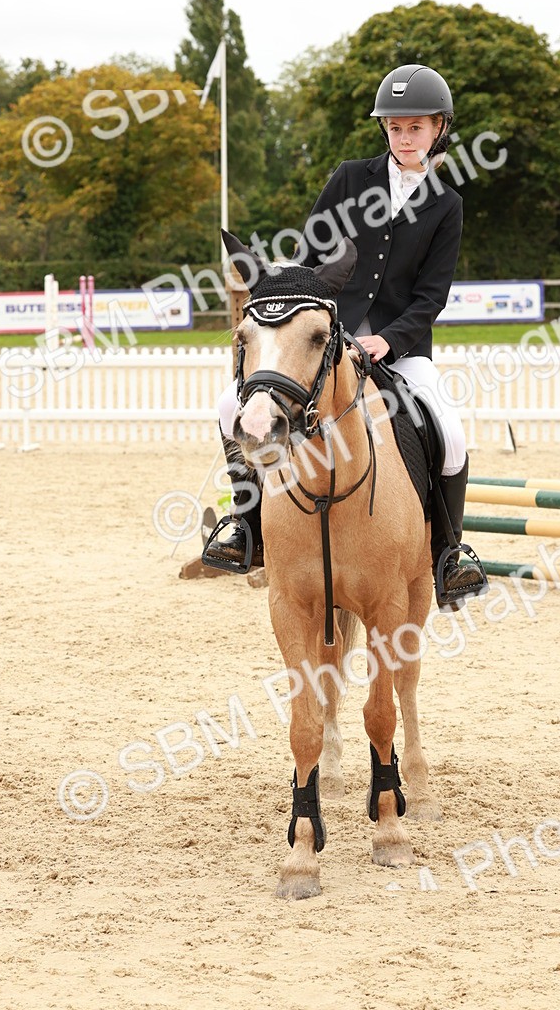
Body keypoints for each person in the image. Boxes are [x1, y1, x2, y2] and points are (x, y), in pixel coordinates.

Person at [204, 62, 488, 609]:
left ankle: (449, 554)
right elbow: (309, 258)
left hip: (396, 348)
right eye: (395, 128)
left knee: (448, 430)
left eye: (416, 128)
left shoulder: (447, 206)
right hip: (322, 337)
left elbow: (431, 296)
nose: (405, 139)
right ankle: (246, 528)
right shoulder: (350, 179)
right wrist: (291, 310)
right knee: (228, 405)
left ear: (440, 128)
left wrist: (389, 340)